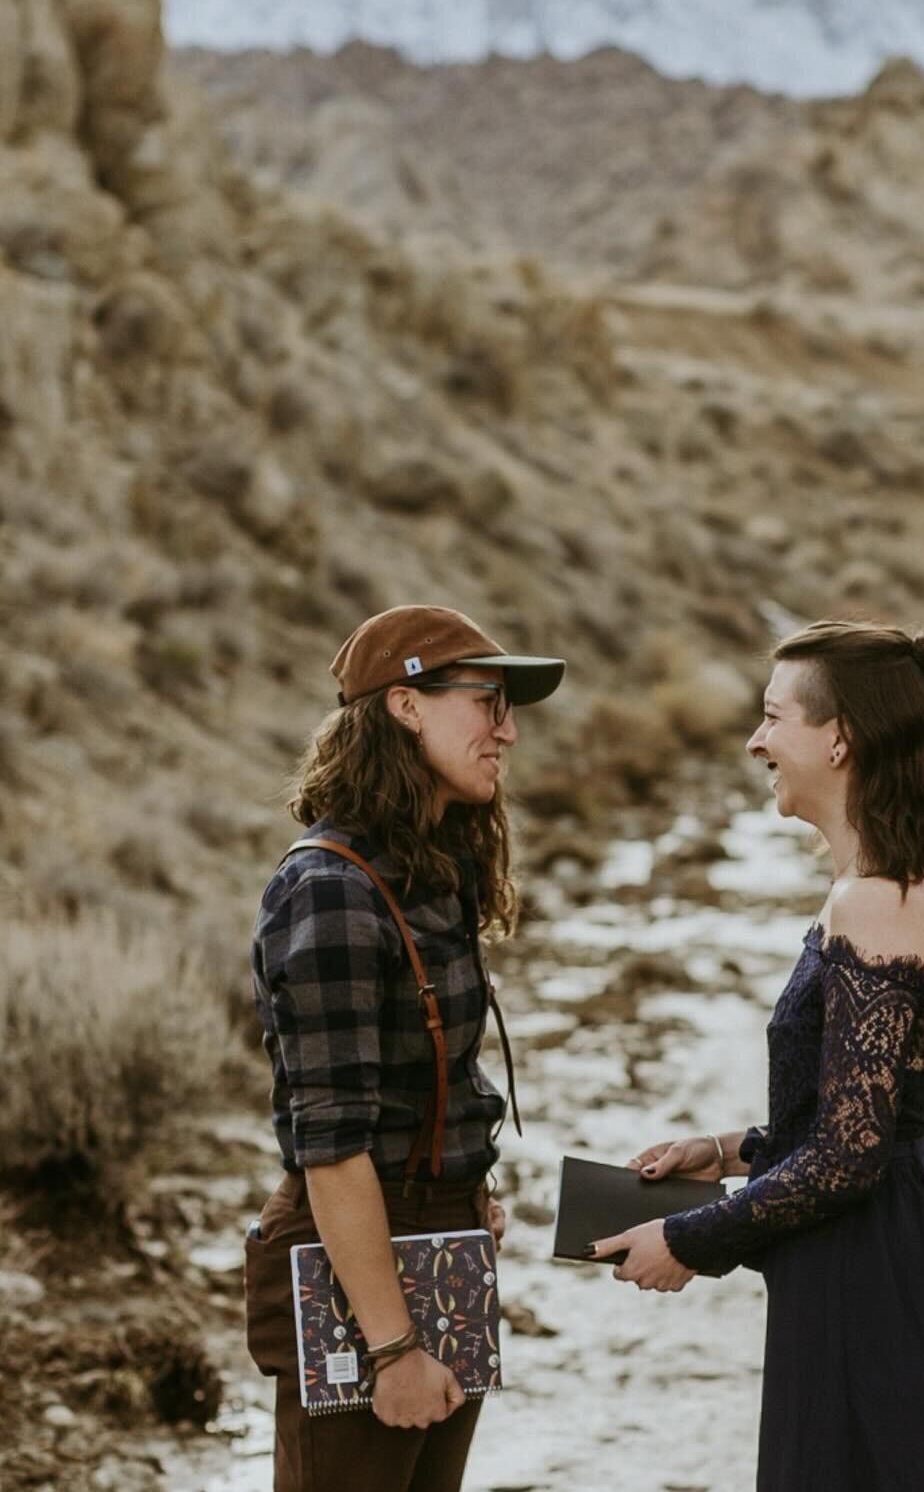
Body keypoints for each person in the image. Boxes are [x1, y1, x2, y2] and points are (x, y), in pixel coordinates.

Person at [590, 619, 924, 1491]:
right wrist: (727, 1153)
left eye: (774, 719)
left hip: (873, 1270)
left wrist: (691, 1238)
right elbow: (856, 1114)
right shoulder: (901, 880)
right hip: (879, 1248)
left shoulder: (878, 899)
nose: (754, 740)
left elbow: (853, 1153)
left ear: (840, 737)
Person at [244, 604, 564, 1492]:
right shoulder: (331, 892)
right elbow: (332, 1144)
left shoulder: (431, 869)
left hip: (439, 1239)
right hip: (364, 1268)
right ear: (406, 706)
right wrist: (390, 1349)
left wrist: (463, 1187)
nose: (506, 730)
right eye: (486, 702)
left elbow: (431, 1076)